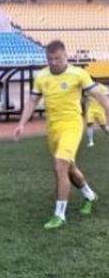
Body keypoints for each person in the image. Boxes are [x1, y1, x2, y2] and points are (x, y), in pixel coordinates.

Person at [14, 40, 109, 229]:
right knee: (69, 168)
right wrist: (21, 124)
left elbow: (99, 95)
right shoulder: (41, 76)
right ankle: (89, 195)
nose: (54, 62)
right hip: (53, 128)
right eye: (50, 59)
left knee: (59, 166)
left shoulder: (78, 74)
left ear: (65, 56)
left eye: (57, 58)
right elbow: (32, 101)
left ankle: (60, 215)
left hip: (72, 125)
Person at [84, 82, 109, 148]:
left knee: (103, 127)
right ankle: (91, 142)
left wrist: (106, 109)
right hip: (91, 109)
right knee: (89, 124)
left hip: (100, 109)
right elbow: (87, 99)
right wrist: (86, 109)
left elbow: (107, 99)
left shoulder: (103, 87)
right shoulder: (88, 88)